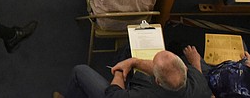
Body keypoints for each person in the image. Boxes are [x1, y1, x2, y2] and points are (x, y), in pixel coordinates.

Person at [59, 50, 212, 98]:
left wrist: (118, 72)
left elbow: (113, 94)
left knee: (80, 71)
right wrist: (134, 62)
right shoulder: (198, 81)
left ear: (158, 81)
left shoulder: (143, 95)